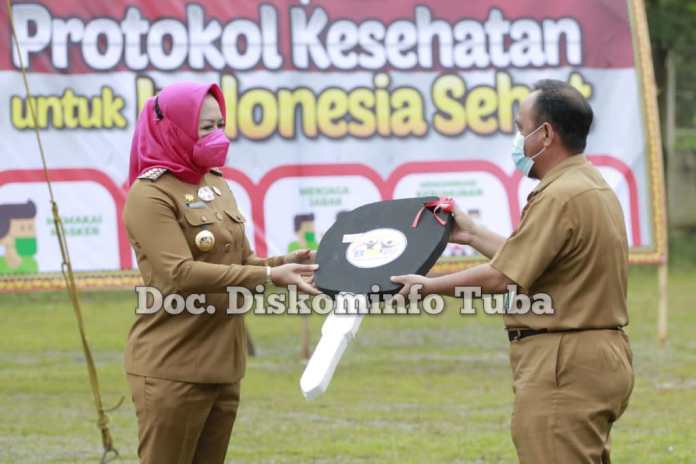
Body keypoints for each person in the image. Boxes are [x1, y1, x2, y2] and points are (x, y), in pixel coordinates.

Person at [392, 79, 634, 463]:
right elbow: (527, 261)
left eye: (522, 129)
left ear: (546, 134)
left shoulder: (559, 196)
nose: (518, 140)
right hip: (592, 357)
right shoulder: (587, 185)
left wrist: (429, 286)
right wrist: (471, 233)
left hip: (564, 363)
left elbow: (502, 276)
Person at [123, 81, 319, 464]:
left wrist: (286, 263)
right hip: (173, 365)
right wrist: (268, 277)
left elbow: (242, 264)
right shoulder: (150, 195)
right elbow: (179, 273)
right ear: (175, 130)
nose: (218, 136)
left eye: (220, 125)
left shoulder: (216, 184)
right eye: (205, 128)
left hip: (224, 366)